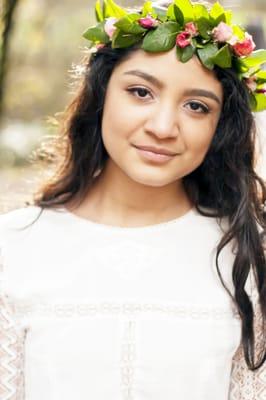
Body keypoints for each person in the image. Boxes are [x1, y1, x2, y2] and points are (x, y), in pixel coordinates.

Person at [0, 0, 266, 398]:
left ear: (220, 128)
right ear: (101, 96)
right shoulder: (13, 247)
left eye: (196, 106)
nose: (162, 127)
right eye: (140, 92)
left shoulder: (248, 253)